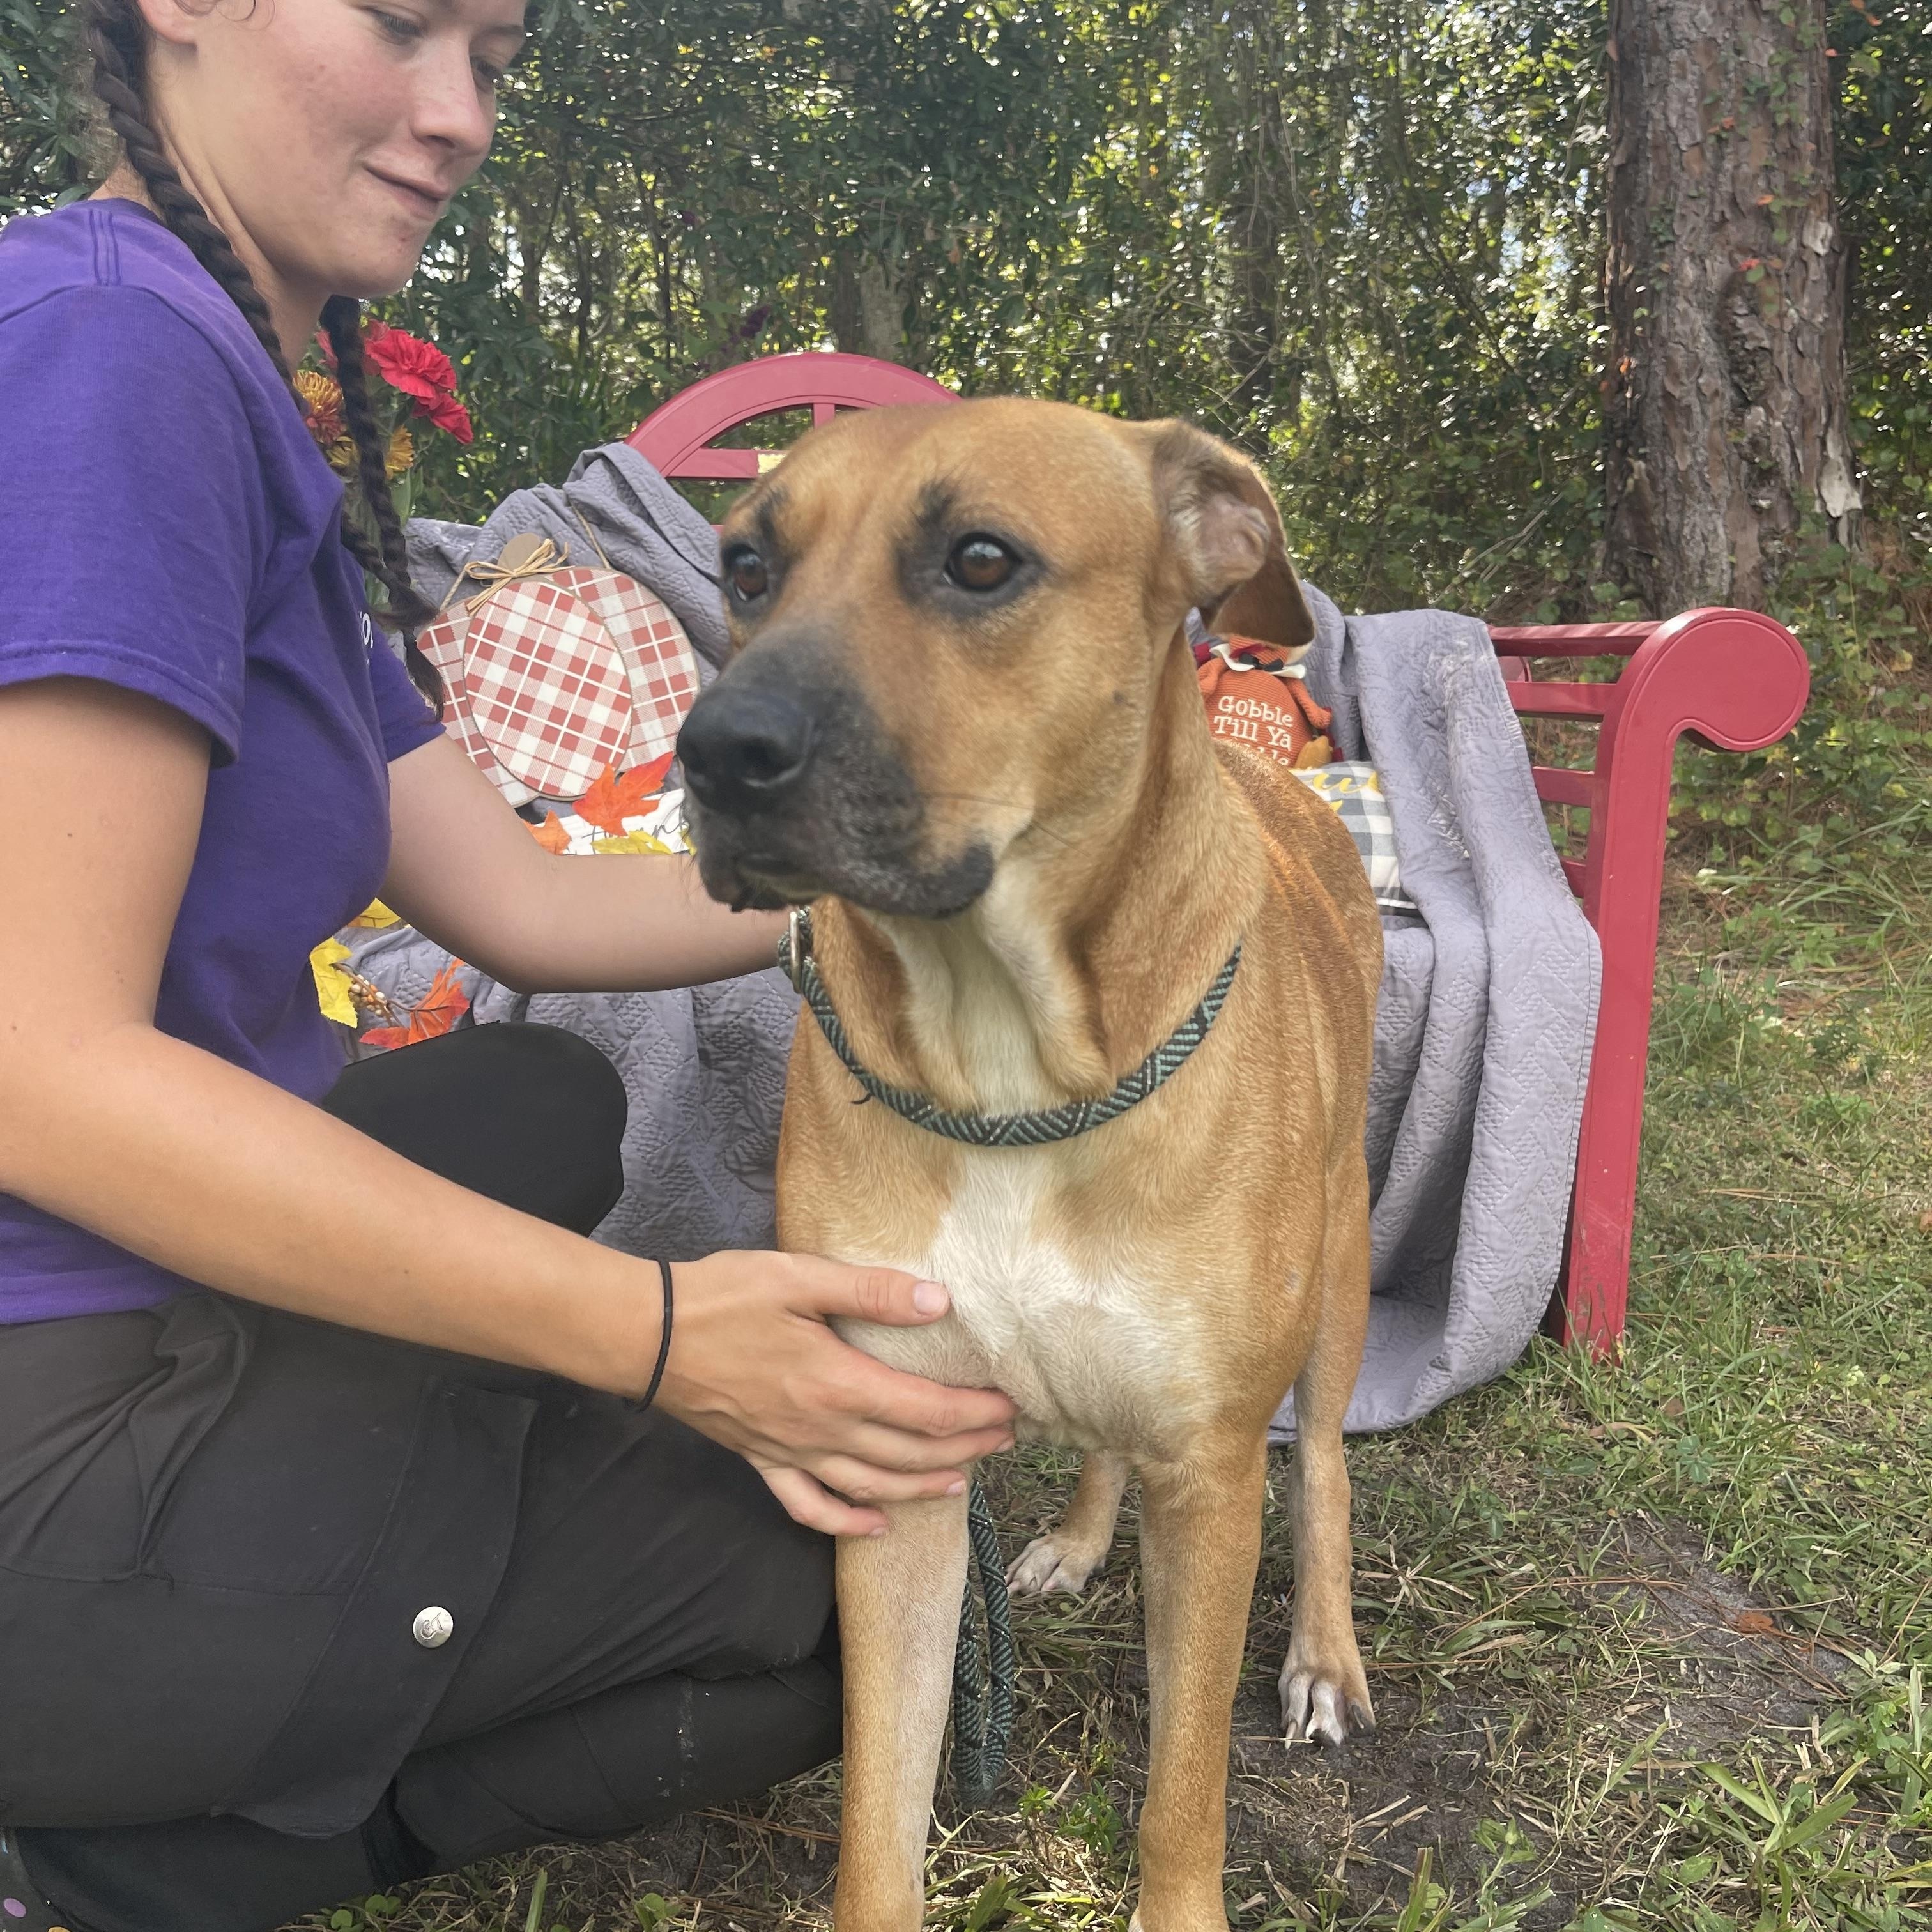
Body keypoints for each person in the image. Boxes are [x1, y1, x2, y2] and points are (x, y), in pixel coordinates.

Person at [0, 2, 1017, 1927]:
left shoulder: (228, 391)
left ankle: (297, 1622)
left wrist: (953, 870)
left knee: (538, 1095)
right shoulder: (108, 359)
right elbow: (33, 1065)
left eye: (498, 52)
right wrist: (650, 1338)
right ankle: (104, 1853)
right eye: (401, 25)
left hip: (145, 1296)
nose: (459, 113)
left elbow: (531, 905)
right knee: (804, 1592)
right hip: (43, 1422)